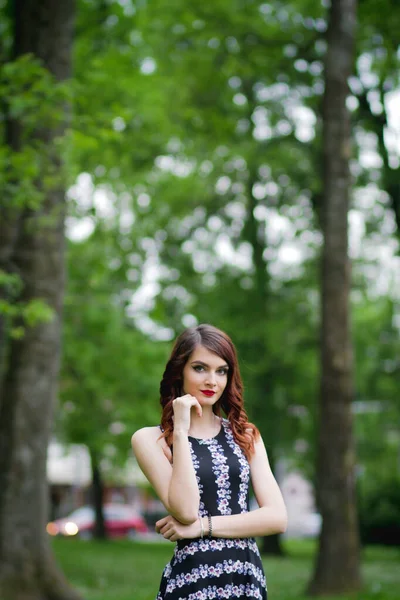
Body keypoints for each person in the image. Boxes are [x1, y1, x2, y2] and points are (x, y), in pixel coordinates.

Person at [131, 324, 287, 600]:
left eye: (221, 370)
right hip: (193, 580)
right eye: (200, 368)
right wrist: (180, 432)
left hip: (245, 578)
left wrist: (202, 527)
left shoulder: (245, 434)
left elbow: (276, 517)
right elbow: (186, 510)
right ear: (180, 370)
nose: (212, 380)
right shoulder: (150, 439)